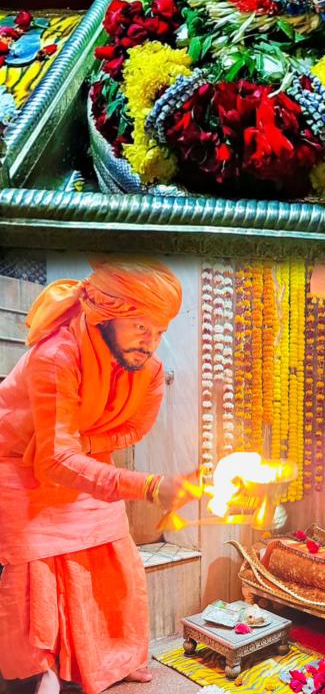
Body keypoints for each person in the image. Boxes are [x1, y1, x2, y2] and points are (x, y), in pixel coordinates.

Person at [0, 262, 195, 694]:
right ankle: (41, 670)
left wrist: (86, 444)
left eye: (159, 330)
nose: (150, 341)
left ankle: (117, 660)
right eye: (140, 326)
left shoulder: (149, 370)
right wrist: (149, 486)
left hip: (81, 456)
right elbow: (53, 461)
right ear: (105, 316)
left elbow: (135, 428)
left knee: (115, 560)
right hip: (17, 463)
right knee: (39, 573)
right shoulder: (57, 356)